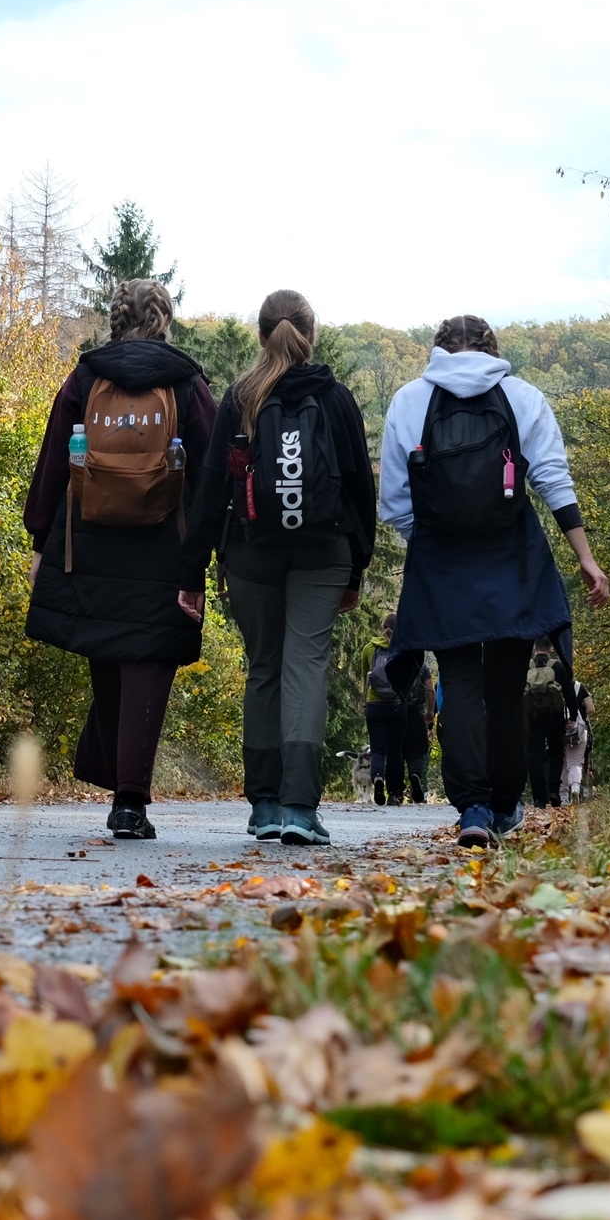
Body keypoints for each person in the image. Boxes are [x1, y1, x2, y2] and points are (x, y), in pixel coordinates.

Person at [379, 314, 610, 850]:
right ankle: (506, 806)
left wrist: (434, 538)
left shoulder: (409, 401)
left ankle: (473, 809)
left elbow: (394, 501)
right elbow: (552, 478)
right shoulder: (523, 397)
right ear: (492, 347)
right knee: (506, 688)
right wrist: (585, 556)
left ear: (439, 349)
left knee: (459, 679)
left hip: (441, 562)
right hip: (513, 558)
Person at [178, 290, 377, 846]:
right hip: (324, 552)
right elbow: (361, 488)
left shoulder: (240, 397)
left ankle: (264, 806)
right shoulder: (335, 398)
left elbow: (211, 489)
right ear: (310, 335)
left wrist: (192, 572)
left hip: (251, 552)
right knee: (305, 667)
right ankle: (299, 810)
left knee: (264, 667)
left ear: (262, 336)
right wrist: (356, 569)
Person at [24, 280, 219, 840]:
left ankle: (117, 784)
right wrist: (213, 550)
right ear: (164, 321)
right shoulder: (186, 383)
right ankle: (129, 801)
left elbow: (53, 463)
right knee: (147, 666)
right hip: (163, 545)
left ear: (115, 319)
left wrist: (39, 541)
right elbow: (211, 470)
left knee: (108, 656)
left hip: (89, 541)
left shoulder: (85, 378)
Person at [361, 614, 432, 804]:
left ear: (382, 626)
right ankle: (394, 793)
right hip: (397, 705)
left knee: (378, 748)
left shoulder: (369, 648)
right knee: (395, 750)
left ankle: (378, 777)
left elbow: (365, 679)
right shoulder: (403, 649)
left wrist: (365, 704)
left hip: (375, 705)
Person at [522, 636, 580, 808]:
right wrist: (573, 716)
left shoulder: (526, 666)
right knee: (556, 754)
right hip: (555, 716)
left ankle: (539, 798)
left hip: (532, 718)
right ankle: (554, 791)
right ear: (552, 648)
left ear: (534, 647)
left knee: (534, 755)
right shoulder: (558, 666)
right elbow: (569, 692)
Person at [561, 682, 594, 803]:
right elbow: (591, 708)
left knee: (562, 764)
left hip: (559, 730)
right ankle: (575, 788)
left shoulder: (553, 686)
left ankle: (563, 797)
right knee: (575, 763)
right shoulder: (578, 686)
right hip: (578, 731)